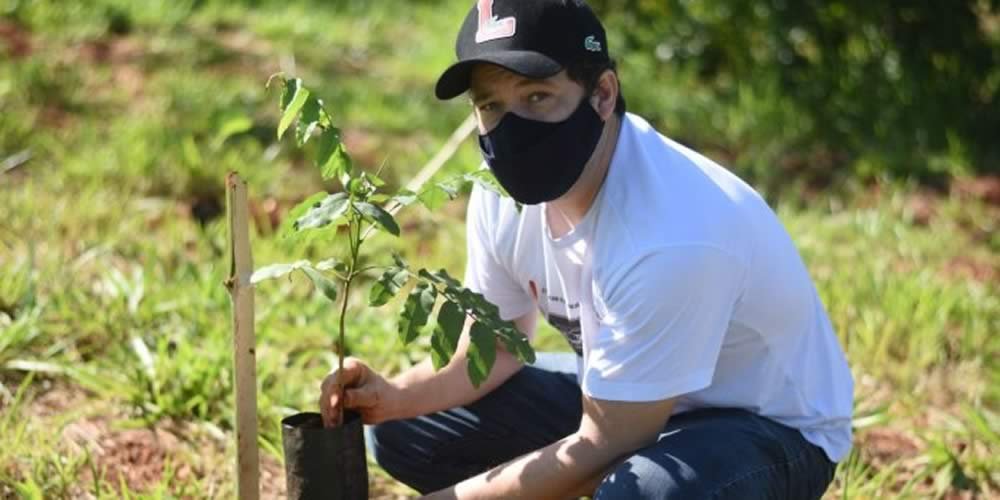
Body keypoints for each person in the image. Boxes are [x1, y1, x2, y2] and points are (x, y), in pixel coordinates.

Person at [319, 0, 855, 498]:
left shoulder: (672, 232)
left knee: (640, 491)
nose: (510, 129)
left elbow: (606, 441)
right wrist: (394, 397)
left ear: (601, 94)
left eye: (537, 97)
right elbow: (497, 349)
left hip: (760, 428)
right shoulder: (499, 197)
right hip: (627, 396)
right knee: (404, 431)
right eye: (491, 106)